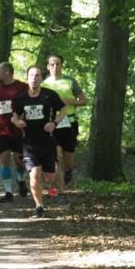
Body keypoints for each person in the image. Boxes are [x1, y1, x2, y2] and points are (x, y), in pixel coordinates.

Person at [12, 66, 66, 218]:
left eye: (37, 76)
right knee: (34, 174)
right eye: (31, 75)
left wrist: (54, 123)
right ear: (27, 77)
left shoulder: (50, 95)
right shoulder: (21, 98)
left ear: (42, 79)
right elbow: (14, 116)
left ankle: (50, 184)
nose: (34, 78)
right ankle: (39, 206)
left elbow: (63, 110)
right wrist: (17, 122)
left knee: (49, 176)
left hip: (47, 142)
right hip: (29, 143)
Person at [42, 54, 88, 196]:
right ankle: (56, 190)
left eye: (58, 64)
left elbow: (84, 101)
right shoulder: (44, 84)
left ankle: (68, 171)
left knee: (68, 159)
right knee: (55, 158)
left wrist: (69, 100)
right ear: (48, 66)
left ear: (62, 65)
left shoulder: (70, 81)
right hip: (52, 125)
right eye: (52, 64)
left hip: (69, 123)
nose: (55, 67)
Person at [0, 62, 29, 203]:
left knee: (19, 161)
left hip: (18, 130)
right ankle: (8, 192)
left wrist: (23, 120)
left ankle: (21, 180)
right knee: (4, 160)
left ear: (7, 72)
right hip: (1, 130)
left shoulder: (22, 87)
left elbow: (28, 104)